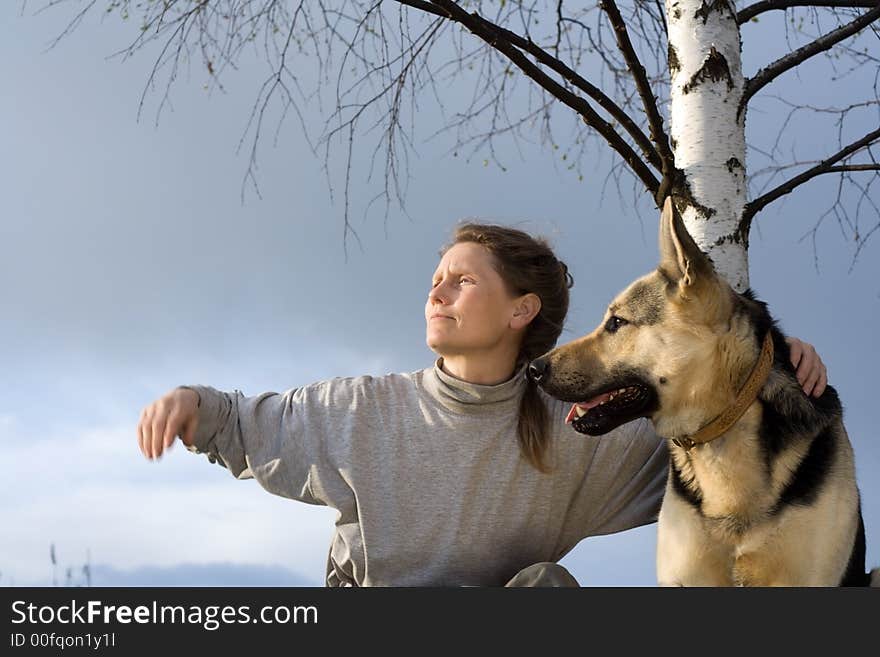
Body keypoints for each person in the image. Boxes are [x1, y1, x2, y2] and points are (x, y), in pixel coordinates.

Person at [136, 223, 827, 586]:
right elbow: (241, 421)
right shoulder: (365, 413)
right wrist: (188, 402)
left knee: (546, 587)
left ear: (521, 309)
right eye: (436, 280)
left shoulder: (575, 433)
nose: (437, 292)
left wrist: (768, 367)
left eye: (461, 280)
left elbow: (710, 442)